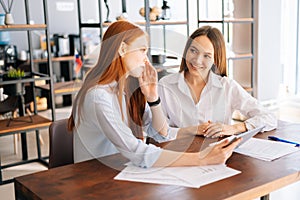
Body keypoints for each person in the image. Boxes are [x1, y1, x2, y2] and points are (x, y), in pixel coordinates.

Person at [68, 21, 241, 168]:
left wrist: (153, 99)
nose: (146, 59)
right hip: (94, 178)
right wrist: (202, 158)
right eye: (142, 50)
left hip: (123, 171)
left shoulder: (127, 89)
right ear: (122, 49)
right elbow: (135, 151)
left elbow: (160, 133)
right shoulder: (98, 97)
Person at [158, 25, 277, 138]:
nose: (197, 60)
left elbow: (269, 117)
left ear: (215, 59)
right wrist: (193, 130)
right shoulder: (166, 85)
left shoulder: (227, 86)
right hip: (178, 153)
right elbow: (159, 131)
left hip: (217, 154)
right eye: (193, 51)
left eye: (207, 56)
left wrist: (235, 128)